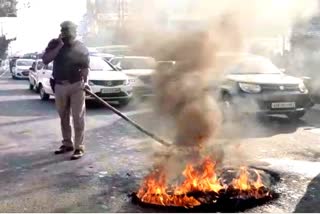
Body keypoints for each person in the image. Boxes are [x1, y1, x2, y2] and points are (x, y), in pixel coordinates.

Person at [42, 21, 90, 160]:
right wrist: (59, 46)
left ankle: (78, 147)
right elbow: (46, 60)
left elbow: (85, 68)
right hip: (59, 85)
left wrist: (85, 83)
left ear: (75, 31)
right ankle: (67, 144)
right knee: (63, 116)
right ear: (61, 31)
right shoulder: (54, 43)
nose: (67, 33)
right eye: (64, 30)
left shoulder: (81, 47)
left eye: (70, 30)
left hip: (76, 85)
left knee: (78, 117)